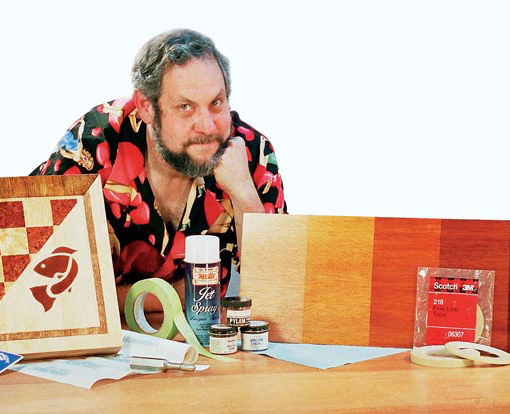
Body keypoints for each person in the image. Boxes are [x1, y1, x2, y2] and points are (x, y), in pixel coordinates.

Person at [31, 29, 287, 308]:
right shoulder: (92, 146)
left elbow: (281, 295)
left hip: (194, 332)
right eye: (185, 107)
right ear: (146, 107)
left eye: (216, 102)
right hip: (101, 335)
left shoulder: (251, 153)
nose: (208, 126)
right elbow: (42, 290)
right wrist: (172, 296)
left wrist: (244, 195)